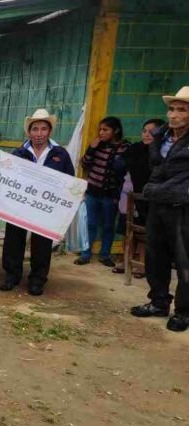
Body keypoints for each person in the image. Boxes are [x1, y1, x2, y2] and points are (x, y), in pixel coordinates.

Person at [130, 86, 189, 332]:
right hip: (158, 205)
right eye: (171, 109)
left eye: (181, 110)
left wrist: (157, 189)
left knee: (184, 261)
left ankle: (184, 312)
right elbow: (156, 170)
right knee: (155, 255)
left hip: (182, 207)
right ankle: (158, 301)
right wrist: (155, 189)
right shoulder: (161, 137)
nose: (173, 115)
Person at [0, 109, 74, 296]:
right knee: (13, 239)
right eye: (35, 129)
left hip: (45, 207)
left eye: (43, 129)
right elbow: (7, 176)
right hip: (19, 204)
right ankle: (12, 275)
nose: (39, 133)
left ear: (49, 131)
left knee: (42, 243)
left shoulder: (60, 154)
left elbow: (69, 180)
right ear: (29, 132)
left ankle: (37, 280)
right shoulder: (19, 153)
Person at [112, 118, 164, 276]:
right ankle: (126, 260)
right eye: (144, 131)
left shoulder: (162, 151)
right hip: (128, 196)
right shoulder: (134, 148)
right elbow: (120, 167)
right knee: (126, 230)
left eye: (151, 132)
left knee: (145, 231)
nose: (147, 134)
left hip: (149, 198)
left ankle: (142, 263)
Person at [75, 116, 130, 266]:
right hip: (92, 192)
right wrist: (91, 148)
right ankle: (85, 254)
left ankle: (105, 255)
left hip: (111, 195)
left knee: (108, 225)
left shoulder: (125, 148)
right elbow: (84, 163)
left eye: (105, 130)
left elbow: (125, 171)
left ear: (116, 130)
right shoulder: (98, 145)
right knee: (90, 224)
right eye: (100, 129)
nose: (101, 133)